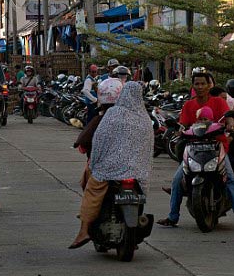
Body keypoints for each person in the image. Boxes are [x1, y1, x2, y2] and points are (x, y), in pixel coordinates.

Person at [69, 82, 154, 249]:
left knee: (92, 191)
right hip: (137, 170)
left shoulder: (113, 114)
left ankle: (84, 231)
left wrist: (95, 164)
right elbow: (149, 146)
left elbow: (99, 141)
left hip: (109, 169)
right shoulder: (144, 117)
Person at [157, 70, 234, 227]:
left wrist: (231, 123)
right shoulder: (188, 105)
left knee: (231, 179)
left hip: (216, 147)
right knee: (178, 180)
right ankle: (172, 217)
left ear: (208, 85)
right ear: (193, 86)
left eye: (203, 83)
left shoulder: (218, 102)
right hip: (193, 149)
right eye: (197, 84)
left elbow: (228, 116)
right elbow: (183, 125)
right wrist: (180, 130)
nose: (200, 86)